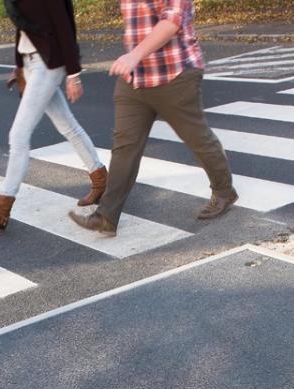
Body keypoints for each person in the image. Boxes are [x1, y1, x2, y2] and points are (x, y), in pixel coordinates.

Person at [68, 0, 237, 237]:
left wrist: (135, 55)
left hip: (174, 73)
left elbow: (172, 20)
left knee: (196, 138)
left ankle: (224, 191)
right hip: (135, 78)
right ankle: (106, 216)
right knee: (125, 145)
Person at [0, 0, 107, 231]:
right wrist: (21, 67)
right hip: (31, 63)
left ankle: (1, 208)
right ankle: (100, 178)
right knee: (68, 126)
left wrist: (74, 74)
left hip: (48, 63)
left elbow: (64, 25)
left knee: (19, 135)